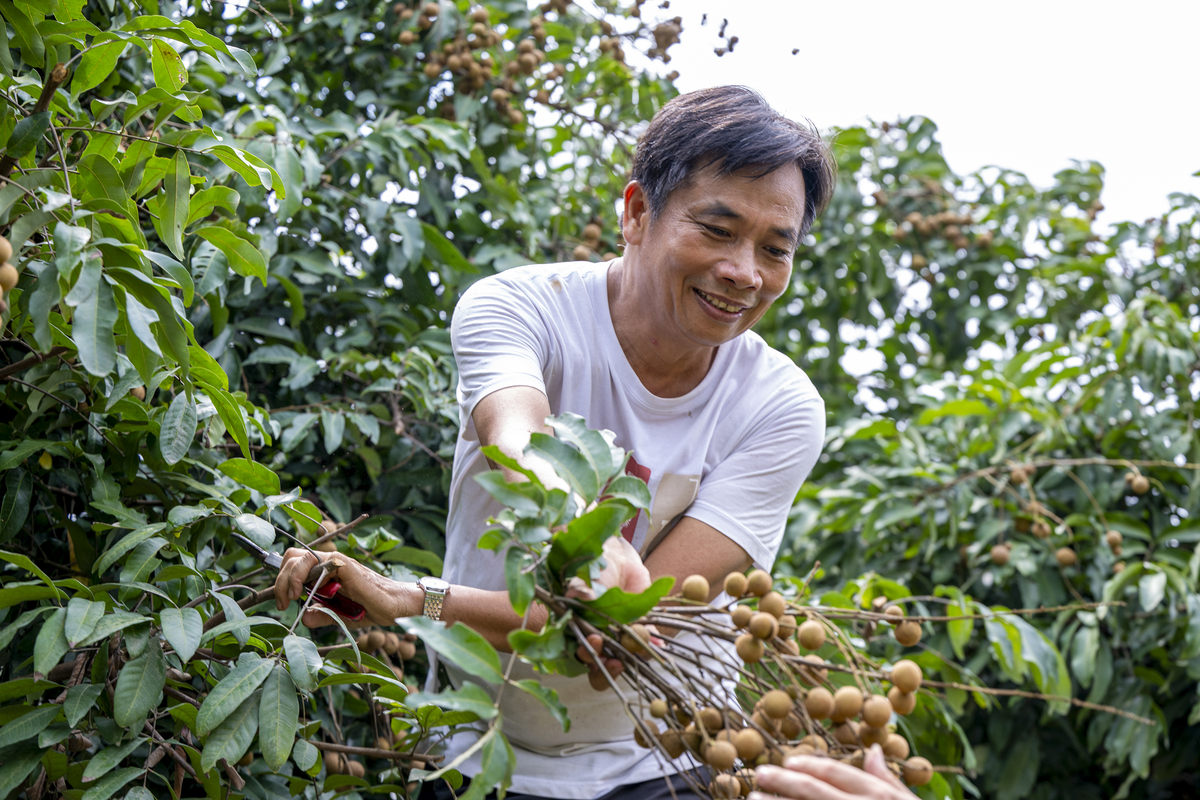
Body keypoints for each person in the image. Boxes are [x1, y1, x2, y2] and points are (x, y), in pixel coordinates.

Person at [274, 86, 902, 800]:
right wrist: (586, 532)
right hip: (474, 749)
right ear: (636, 213)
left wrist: (413, 599)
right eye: (717, 230)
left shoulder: (781, 407)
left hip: (664, 761)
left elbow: (615, 626)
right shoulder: (518, 307)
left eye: (775, 250)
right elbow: (515, 433)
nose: (744, 272)